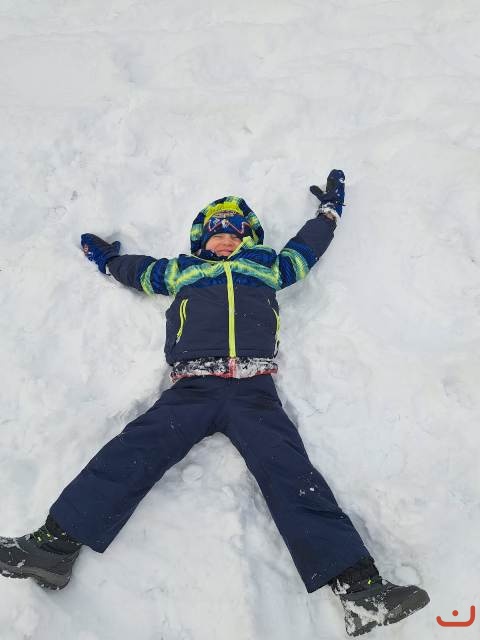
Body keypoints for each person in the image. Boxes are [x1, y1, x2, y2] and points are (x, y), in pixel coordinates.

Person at [0, 171, 429, 636]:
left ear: (248, 239)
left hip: (254, 392)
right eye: (217, 233)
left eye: (235, 232)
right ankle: (52, 549)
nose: (226, 239)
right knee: (131, 453)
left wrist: (328, 214)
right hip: (193, 389)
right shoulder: (183, 271)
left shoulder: (268, 267)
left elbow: (306, 249)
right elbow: (139, 272)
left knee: (292, 475)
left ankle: (361, 591)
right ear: (202, 240)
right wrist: (108, 260)